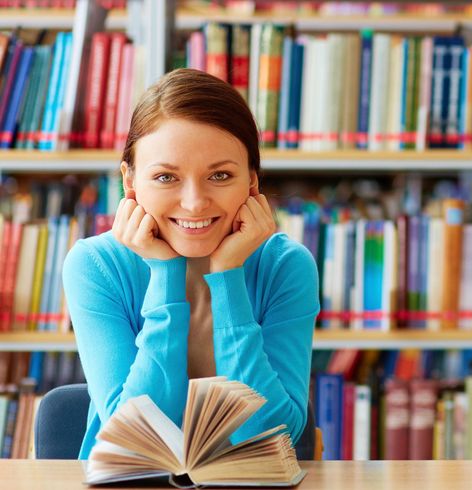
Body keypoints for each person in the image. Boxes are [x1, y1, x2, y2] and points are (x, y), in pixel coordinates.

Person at [62, 68, 319, 459]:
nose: (195, 202)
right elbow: (135, 438)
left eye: (220, 175)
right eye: (166, 177)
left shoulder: (286, 266)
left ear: (252, 181)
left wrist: (229, 277)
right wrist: (165, 275)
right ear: (129, 182)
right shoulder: (95, 265)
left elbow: (270, 433)